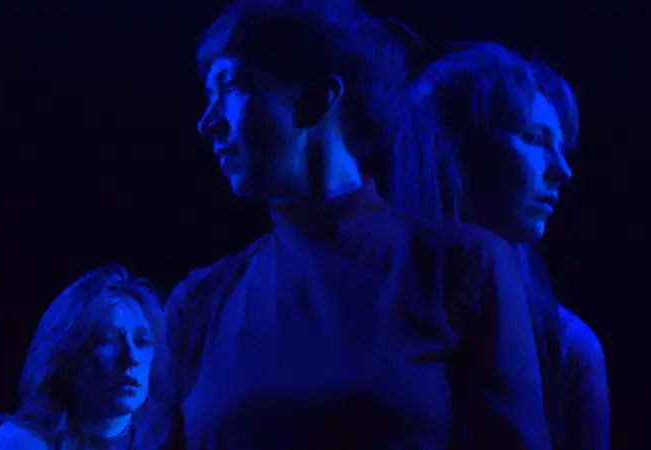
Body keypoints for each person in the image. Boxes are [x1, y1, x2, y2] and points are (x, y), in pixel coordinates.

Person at [136, 1, 551, 449]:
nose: (207, 122)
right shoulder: (198, 302)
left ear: (318, 98)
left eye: (231, 85)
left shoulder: (462, 268)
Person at [388, 42, 610, 449]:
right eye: (533, 137)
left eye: (560, 146)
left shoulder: (568, 348)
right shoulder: (348, 312)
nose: (562, 169)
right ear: (454, 150)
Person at [0, 265, 163, 450]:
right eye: (107, 340)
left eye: (142, 341)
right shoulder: (17, 443)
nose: (131, 357)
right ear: (68, 355)